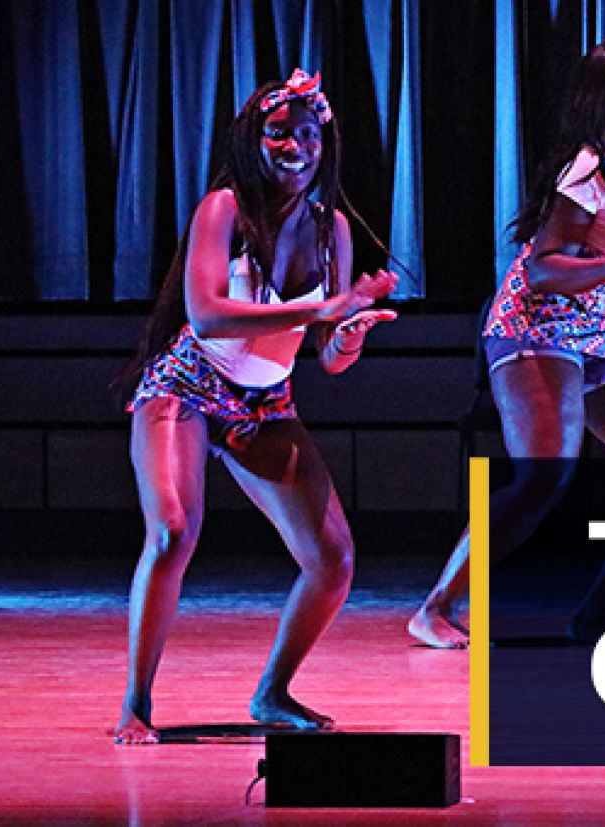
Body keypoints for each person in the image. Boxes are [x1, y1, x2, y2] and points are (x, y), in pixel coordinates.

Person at [409, 36, 605, 648]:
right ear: (602, 104)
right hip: (541, 320)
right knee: (545, 472)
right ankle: (437, 606)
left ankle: (599, 610)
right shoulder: (591, 166)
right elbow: (545, 268)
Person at [114, 70, 397, 744]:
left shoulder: (334, 232)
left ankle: (273, 690)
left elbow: (327, 355)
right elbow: (206, 315)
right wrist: (316, 308)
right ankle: (137, 701)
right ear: (255, 139)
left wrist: (347, 334)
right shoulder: (224, 209)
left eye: (308, 133)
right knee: (173, 531)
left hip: (264, 401)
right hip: (184, 387)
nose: (295, 145)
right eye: (279, 132)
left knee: (333, 559)